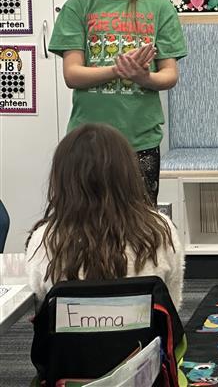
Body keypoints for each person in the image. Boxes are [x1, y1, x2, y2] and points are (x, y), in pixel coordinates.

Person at [48, 0, 187, 204]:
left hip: (141, 140)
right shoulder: (78, 6)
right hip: (88, 140)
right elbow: (72, 74)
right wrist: (117, 70)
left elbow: (169, 75)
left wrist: (142, 77)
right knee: (85, 221)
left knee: (140, 223)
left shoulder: (159, 7)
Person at [26, 124, 184, 308]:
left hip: (70, 337)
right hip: (146, 337)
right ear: (129, 173)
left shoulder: (45, 239)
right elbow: (172, 304)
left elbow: (39, 293)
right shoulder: (160, 230)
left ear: (62, 178)